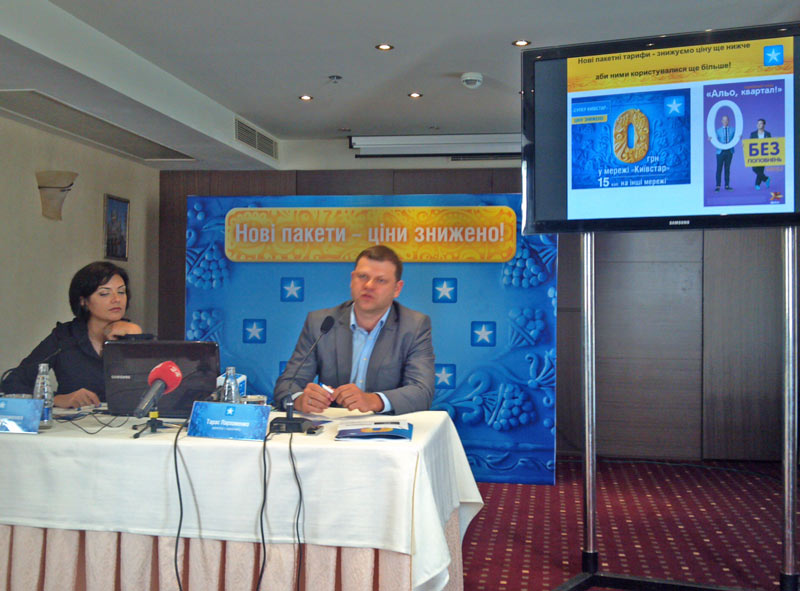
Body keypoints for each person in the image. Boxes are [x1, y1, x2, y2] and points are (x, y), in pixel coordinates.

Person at [273, 245, 435, 415]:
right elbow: (287, 385)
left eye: (380, 280)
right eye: (362, 276)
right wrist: (300, 400)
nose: (369, 285)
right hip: (331, 425)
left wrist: (373, 400)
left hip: (385, 426)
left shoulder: (413, 326)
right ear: (352, 279)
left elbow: (421, 392)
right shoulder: (320, 322)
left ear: (397, 289)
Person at [1, 261, 140, 408]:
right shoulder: (65, 337)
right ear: (83, 301)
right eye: (104, 293)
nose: (116, 299)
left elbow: (150, 390)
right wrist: (56, 399)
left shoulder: (133, 333)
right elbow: (12, 384)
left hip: (129, 421)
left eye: (121, 292)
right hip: (75, 420)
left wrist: (137, 337)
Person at [710, 114, 735, 191]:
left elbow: (736, 138)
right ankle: (718, 186)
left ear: (728, 121)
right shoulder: (718, 131)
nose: (725, 121)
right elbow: (713, 138)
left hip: (729, 151)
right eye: (724, 120)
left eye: (726, 120)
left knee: (727, 169)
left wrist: (740, 138)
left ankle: (727, 186)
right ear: (721, 121)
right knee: (719, 169)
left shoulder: (733, 130)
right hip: (720, 152)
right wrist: (710, 139)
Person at [749, 118, 772, 189]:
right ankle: (766, 179)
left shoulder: (768, 134)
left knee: (761, 169)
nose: (759, 125)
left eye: (761, 123)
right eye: (758, 123)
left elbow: (771, 143)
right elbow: (749, 144)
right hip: (755, 155)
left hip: (764, 154)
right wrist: (744, 146)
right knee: (754, 169)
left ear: (764, 125)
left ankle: (757, 184)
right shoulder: (753, 134)